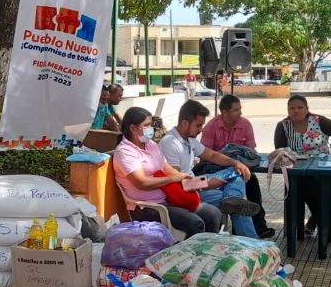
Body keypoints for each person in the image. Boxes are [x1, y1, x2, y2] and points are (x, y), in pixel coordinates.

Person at [113, 106, 222, 239]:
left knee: (213, 213)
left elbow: (167, 169)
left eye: (151, 125)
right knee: (195, 223)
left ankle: (206, 253)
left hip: (169, 197)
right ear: (133, 128)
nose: (150, 129)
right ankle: (186, 257)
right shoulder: (125, 152)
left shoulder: (151, 145)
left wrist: (198, 183)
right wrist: (173, 179)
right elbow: (142, 182)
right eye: (146, 125)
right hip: (148, 208)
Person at [160, 100, 261, 237]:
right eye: (198, 125)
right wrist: (206, 184)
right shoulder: (170, 143)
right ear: (185, 123)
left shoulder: (189, 139)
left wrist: (236, 162)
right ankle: (252, 244)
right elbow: (177, 185)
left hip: (195, 183)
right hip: (187, 193)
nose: (201, 129)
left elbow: (212, 155)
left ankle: (232, 198)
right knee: (240, 206)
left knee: (236, 171)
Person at [201, 95, 273, 238]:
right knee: (239, 192)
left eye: (240, 109)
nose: (240, 113)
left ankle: (259, 224)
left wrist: (238, 161)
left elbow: (251, 151)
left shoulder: (245, 124)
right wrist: (230, 161)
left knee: (250, 181)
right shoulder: (211, 127)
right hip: (215, 169)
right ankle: (251, 235)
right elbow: (206, 156)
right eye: (236, 110)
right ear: (224, 112)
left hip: (240, 167)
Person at [274, 94, 331, 234]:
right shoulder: (283, 126)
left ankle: (316, 222)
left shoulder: (320, 121)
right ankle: (323, 227)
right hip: (298, 171)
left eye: (300, 107)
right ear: (288, 110)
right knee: (306, 186)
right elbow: (280, 151)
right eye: (292, 108)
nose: (296, 111)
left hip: (325, 169)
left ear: (307, 108)